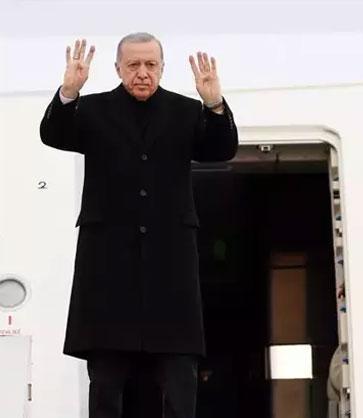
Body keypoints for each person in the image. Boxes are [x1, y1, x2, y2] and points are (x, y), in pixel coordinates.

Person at [39, 33, 238, 418]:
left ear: (162, 68)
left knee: (179, 381)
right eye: (133, 65)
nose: (142, 73)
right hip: (108, 268)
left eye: (150, 65)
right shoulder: (93, 110)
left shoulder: (185, 111)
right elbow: (54, 134)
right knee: (106, 385)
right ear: (118, 68)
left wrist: (214, 104)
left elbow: (220, 149)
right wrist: (69, 92)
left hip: (170, 268)